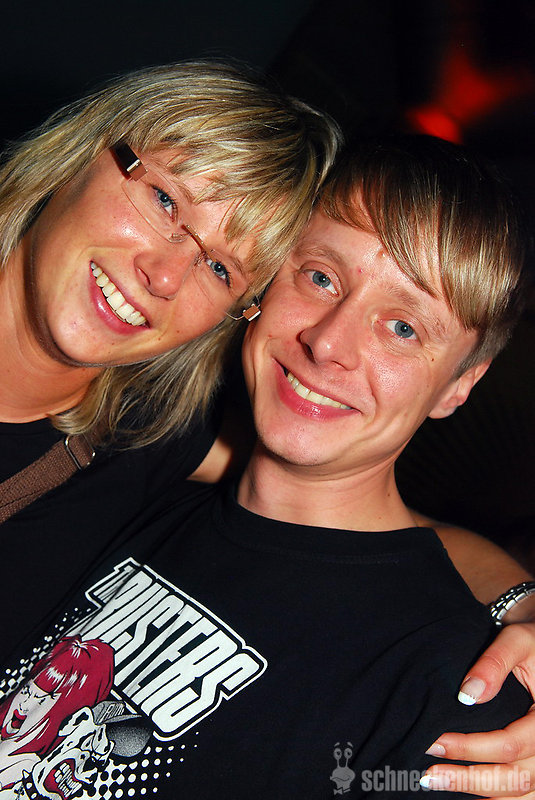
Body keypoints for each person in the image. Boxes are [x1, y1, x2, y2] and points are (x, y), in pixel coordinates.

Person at [0, 135, 532, 799]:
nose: (328, 342)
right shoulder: (139, 475)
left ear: (459, 385)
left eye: (403, 328)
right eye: (321, 278)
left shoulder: (461, 691)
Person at [0, 59, 341, 658]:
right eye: (165, 201)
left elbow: (361, 513)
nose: (164, 276)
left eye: (220, 270)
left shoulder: (143, 438)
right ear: (85, 150)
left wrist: (509, 599)